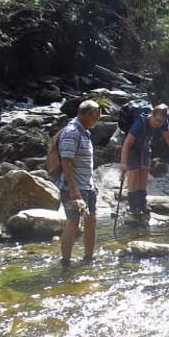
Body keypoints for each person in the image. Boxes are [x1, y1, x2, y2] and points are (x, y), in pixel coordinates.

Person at [119, 103, 169, 222]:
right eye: (157, 120)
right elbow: (127, 144)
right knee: (134, 174)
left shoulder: (163, 122)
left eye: (161, 122)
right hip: (132, 148)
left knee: (144, 173)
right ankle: (133, 206)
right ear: (152, 114)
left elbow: (168, 137)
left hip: (145, 147)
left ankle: (142, 203)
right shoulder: (140, 122)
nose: (158, 124)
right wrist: (123, 163)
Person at [59, 100, 101, 266]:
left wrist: (92, 184)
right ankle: (65, 262)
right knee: (73, 222)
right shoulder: (72, 131)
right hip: (74, 188)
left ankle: (89, 258)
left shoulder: (85, 131)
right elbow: (66, 161)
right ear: (85, 114)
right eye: (95, 115)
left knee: (91, 220)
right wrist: (73, 190)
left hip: (88, 186)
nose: (98, 118)